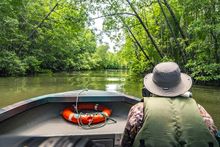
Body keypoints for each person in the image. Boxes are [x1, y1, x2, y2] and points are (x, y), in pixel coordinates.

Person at [121, 62, 219, 147]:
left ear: (152, 86)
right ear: (180, 85)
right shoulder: (199, 109)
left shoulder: (139, 109)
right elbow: (213, 135)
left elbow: (126, 142)